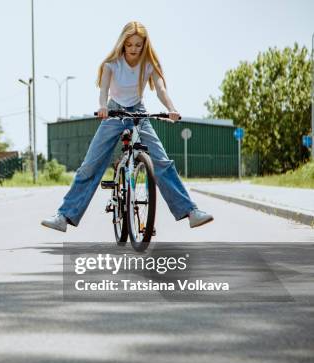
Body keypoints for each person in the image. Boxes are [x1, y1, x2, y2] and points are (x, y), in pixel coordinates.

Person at [41, 21, 213, 232]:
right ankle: (64, 216)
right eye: (129, 44)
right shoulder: (111, 64)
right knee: (90, 164)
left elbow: (160, 89)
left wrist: (171, 108)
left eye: (138, 45)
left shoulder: (149, 63)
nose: (133, 49)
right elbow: (103, 90)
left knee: (162, 161)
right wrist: (103, 107)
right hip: (113, 112)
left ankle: (191, 212)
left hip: (139, 112)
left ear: (144, 45)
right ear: (123, 43)